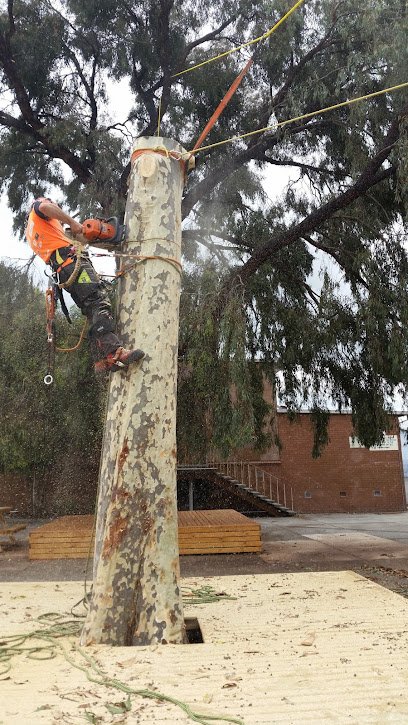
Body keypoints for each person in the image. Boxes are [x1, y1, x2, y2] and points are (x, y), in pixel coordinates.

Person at [25, 196, 145, 372]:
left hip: (63, 270)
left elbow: (72, 239)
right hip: (71, 263)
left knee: (90, 309)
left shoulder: (35, 231)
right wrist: (73, 222)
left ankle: (101, 359)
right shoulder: (39, 209)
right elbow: (44, 207)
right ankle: (115, 352)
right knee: (98, 301)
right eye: (52, 203)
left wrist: (84, 234)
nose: (54, 206)